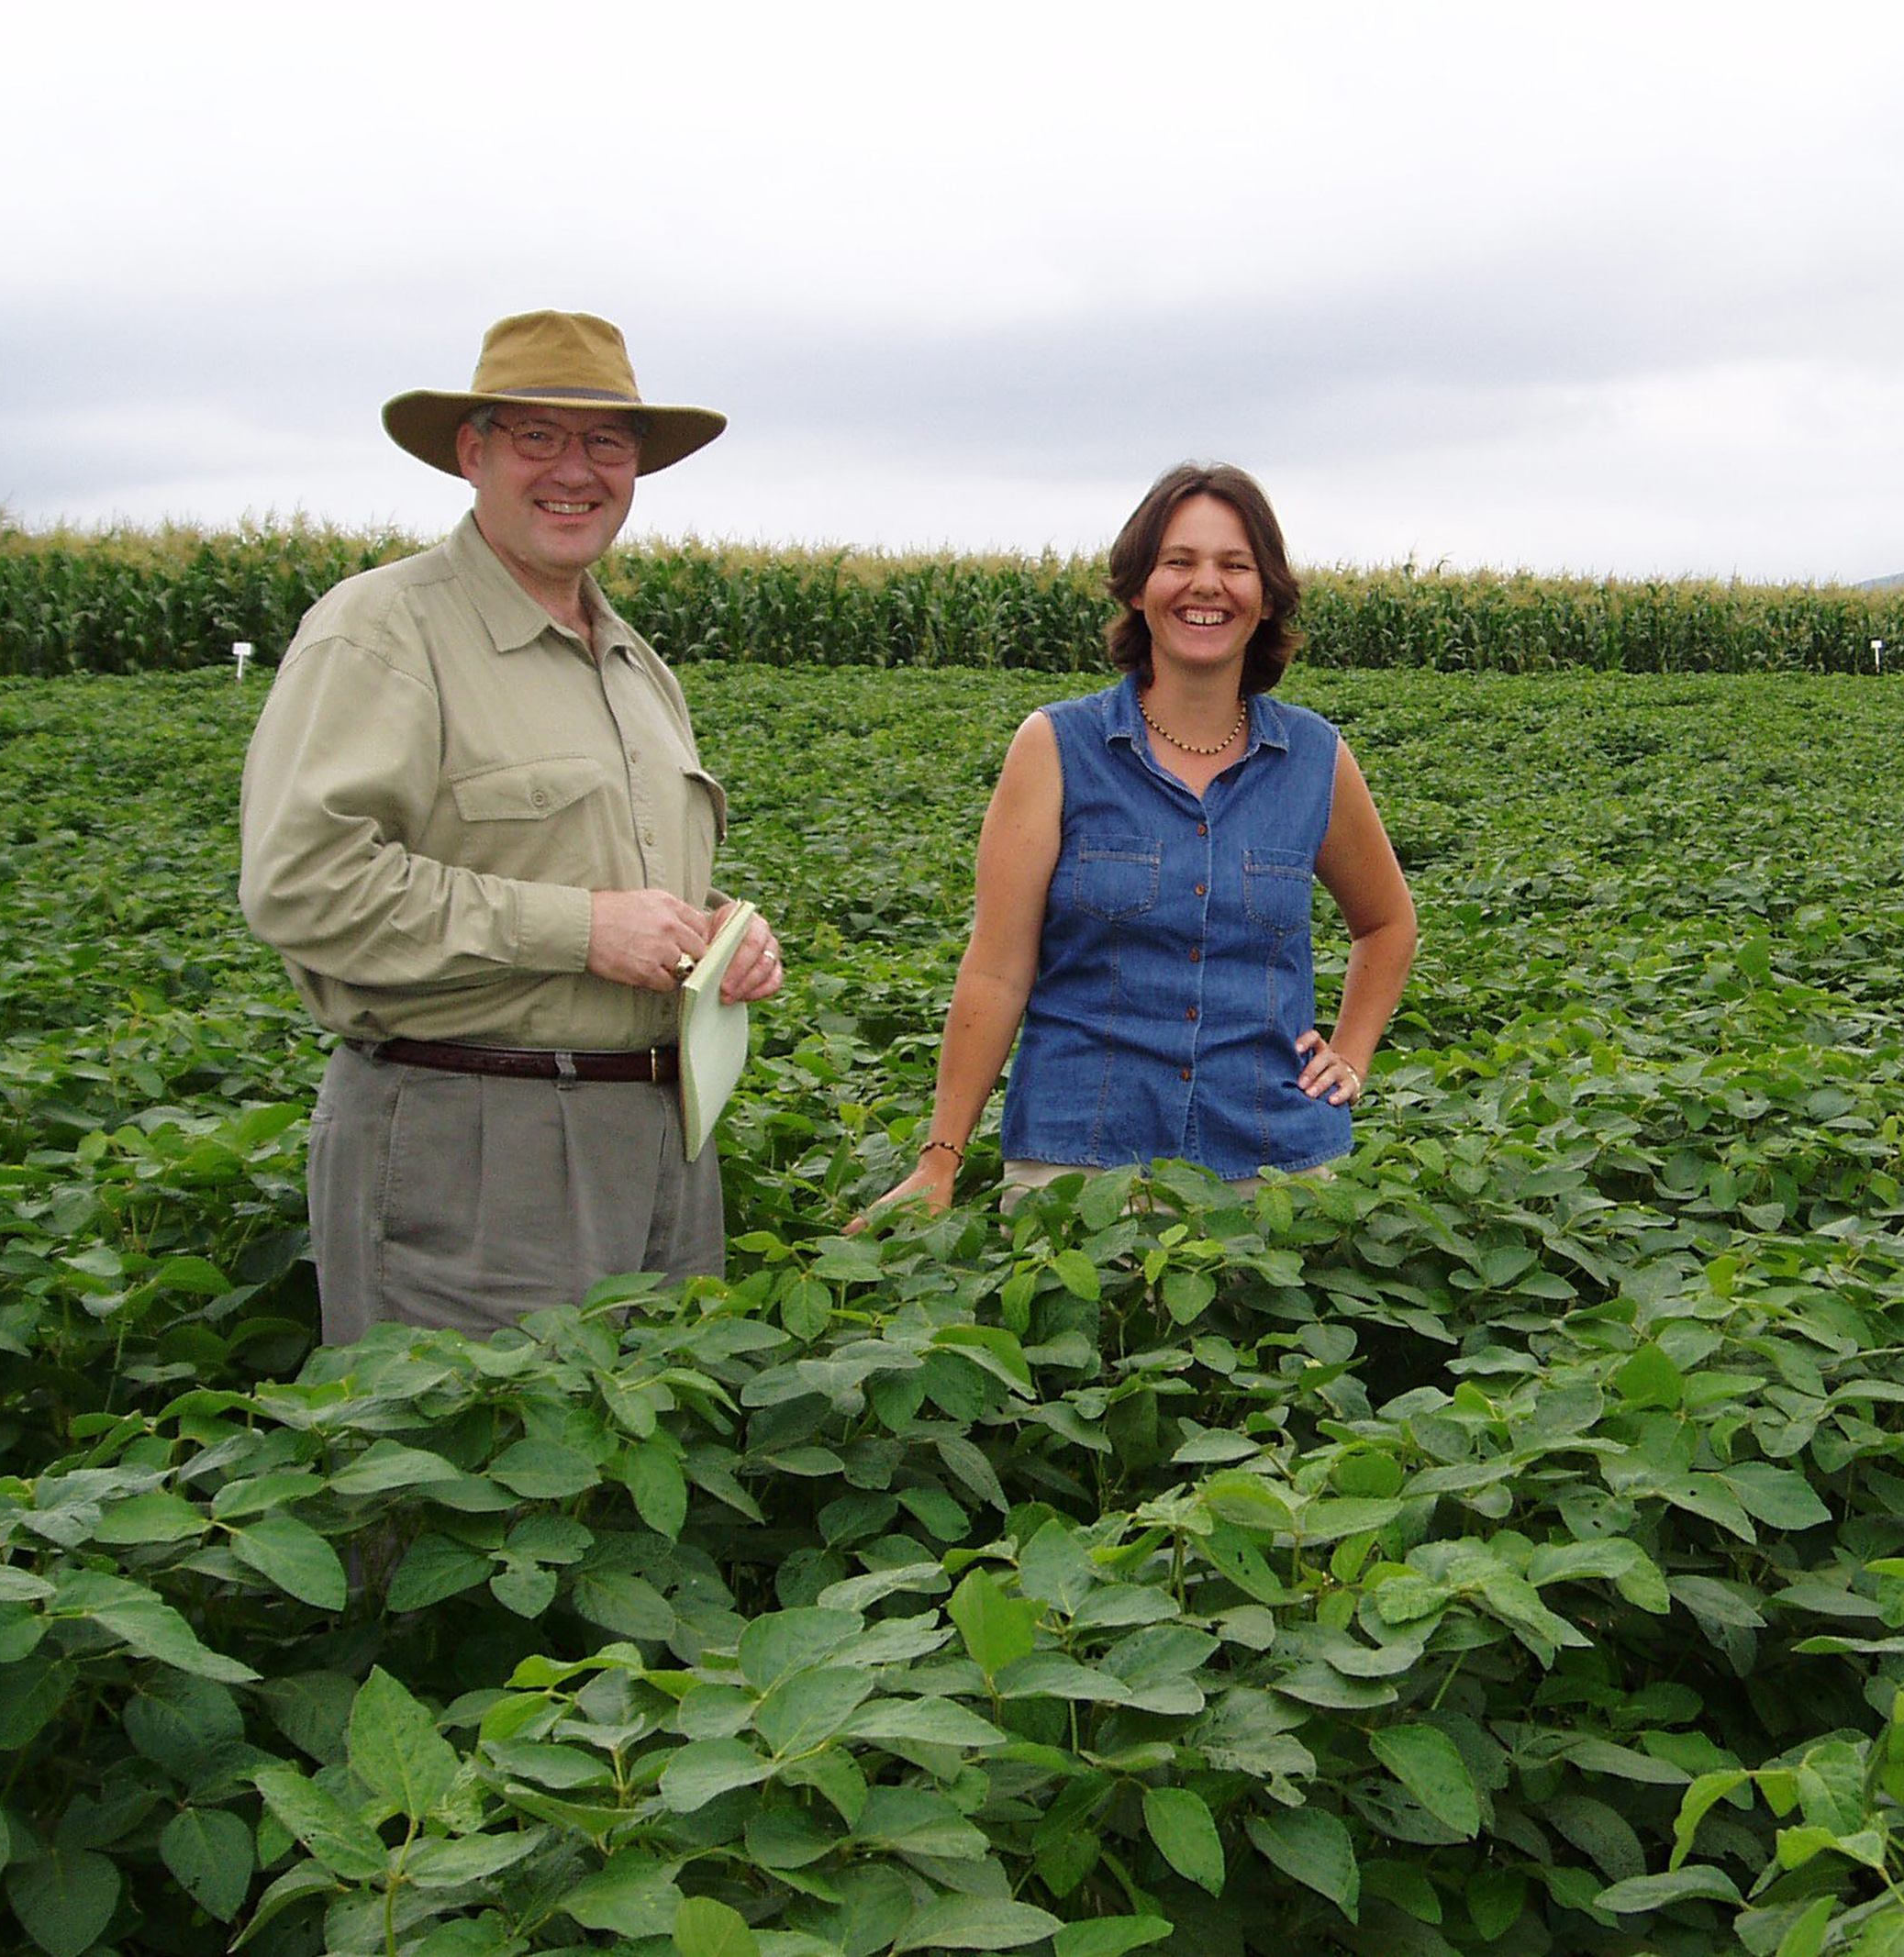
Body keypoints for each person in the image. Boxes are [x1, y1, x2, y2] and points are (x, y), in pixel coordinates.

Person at [240, 310, 786, 1343]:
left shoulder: (632, 662)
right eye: (538, 437)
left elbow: (614, 877)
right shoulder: (384, 630)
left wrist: (720, 936)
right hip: (476, 1138)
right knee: (472, 1478)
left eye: (606, 443)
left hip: (664, 1136)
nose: (574, 471)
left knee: (643, 1464)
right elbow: (304, 885)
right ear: (472, 452)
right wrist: (581, 929)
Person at [868, 462, 1417, 1217]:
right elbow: (996, 969)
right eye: (1179, 562)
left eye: (1235, 565)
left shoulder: (1317, 760)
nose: (1207, 585)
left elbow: (1387, 924)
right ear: (1138, 586)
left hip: (1275, 1172)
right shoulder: (1056, 748)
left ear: (1265, 597)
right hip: (1079, 1169)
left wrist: (1351, 1054)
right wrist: (941, 1157)